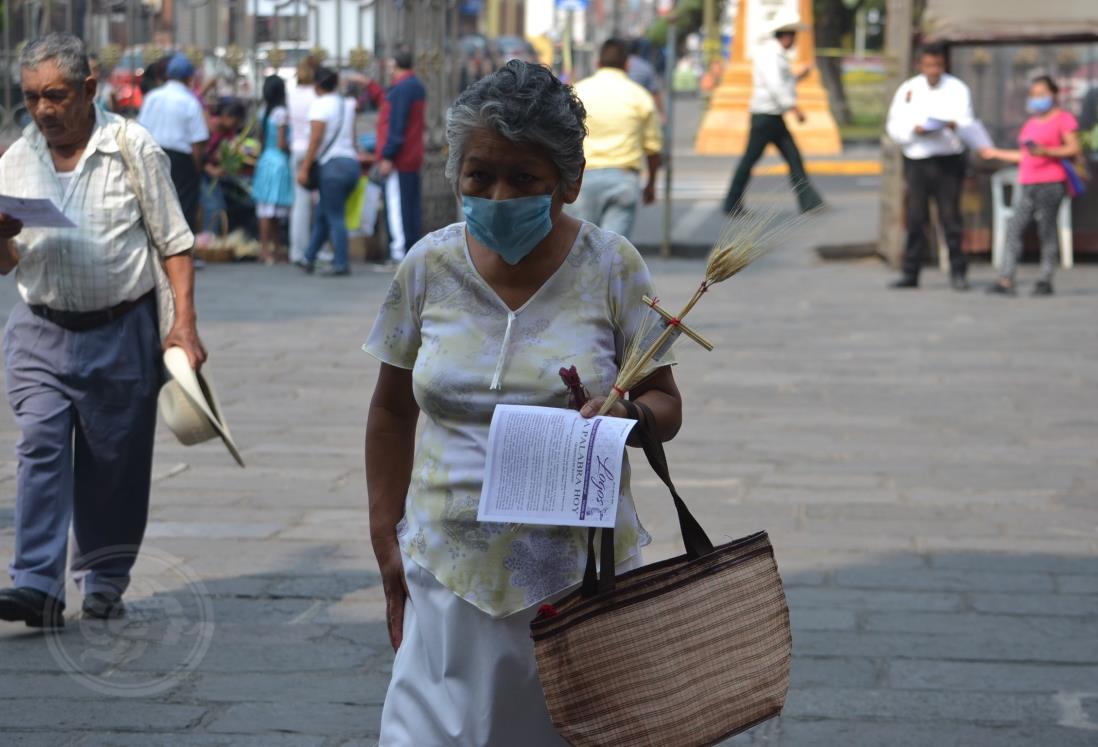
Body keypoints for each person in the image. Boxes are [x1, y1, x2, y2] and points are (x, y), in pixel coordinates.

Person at [365, 59, 682, 743]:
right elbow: (391, 408)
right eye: (480, 176)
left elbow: (665, 401)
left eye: (524, 178)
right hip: (445, 566)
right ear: (457, 175)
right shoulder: (427, 266)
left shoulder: (612, 266)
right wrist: (385, 534)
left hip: (574, 577)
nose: (500, 196)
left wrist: (627, 415)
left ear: (569, 181)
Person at [0, 33, 204, 628]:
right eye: (33, 97)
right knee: (38, 444)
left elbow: (175, 243)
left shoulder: (132, 147)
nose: (44, 110)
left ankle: (104, 578)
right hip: (39, 330)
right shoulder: (15, 160)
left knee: (114, 461)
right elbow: (7, 263)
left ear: (89, 89)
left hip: (121, 330)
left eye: (57, 96)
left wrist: (184, 326)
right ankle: (35, 583)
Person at [885, 43, 975, 290]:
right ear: (920, 65)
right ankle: (911, 272)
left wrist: (951, 125)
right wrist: (914, 130)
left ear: (944, 64)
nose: (933, 70)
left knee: (950, 217)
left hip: (948, 159)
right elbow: (895, 124)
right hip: (918, 159)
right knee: (915, 217)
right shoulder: (909, 89)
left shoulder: (957, 89)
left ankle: (958, 272)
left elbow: (966, 121)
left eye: (937, 65)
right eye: (928, 65)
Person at [721, 11, 825, 218]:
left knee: (793, 159)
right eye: (793, 36)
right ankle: (732, 202)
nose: (795, 40)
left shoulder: (775, 54)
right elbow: (776, 86)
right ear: (785, 36)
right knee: (751, 160)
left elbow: (781, 83)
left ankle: (809, 202)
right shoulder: (770, 54)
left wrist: (797, 78)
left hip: (773, 116)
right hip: (765, 117)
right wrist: (794, 107)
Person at [984, 76, 1080, 296]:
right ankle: (1006, 278)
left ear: (1054, 94)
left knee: (1046, 230)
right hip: (1027, 182)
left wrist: (1047, 151)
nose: (1037, 99)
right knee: (1014, 228)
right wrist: (996, 153)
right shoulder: (1031, 124)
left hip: (1052, 182)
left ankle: (1045, 279)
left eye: (1041, 94)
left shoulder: (1063, 119)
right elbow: (1025, 156)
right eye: (1033, 95)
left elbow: (1073, 148)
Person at [570, 38, 662, 240]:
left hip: (581, 179)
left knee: (581, 251)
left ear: (598, 63)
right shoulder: (639, 96)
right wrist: (651, 184)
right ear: (627, 65)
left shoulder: (577, 92)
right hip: (624, 179)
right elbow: (653, 148)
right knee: (612, 255)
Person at [296, 67, 359, 276]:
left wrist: (304, 168)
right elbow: (352, 136)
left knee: (334, 215)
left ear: (317, 85)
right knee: (324, 212)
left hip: (332, 167)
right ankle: (309, 256)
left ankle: (341, 262)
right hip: (350, 164)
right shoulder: (346, 104)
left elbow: (315, 139)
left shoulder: (320, 106)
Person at [138, 52, 209, 232]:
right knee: (183, 206)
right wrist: (197, 168)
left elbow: (140, 130)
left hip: (152, 154)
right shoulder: (190, 102)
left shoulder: (153, 97)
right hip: (180, 160)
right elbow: (197, 142)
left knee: (154, 202)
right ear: (189, 78)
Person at [376, 49, 426, 263]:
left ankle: (399, 251)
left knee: (397, 205)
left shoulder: (401, 89)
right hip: (413, 153)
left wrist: (388, 155)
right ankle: (410, 247)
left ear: (395, 65)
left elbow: (397, 125)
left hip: (400, 157)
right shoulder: (416, 86)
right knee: (410, 204)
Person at [252, 75, 294, 264]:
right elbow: (282, 142)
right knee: (274, 210)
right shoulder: (281, 113)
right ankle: (273, 249)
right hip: (278, 160)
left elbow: (261, 140)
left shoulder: (263, 111)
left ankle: (267, 249)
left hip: (265, 159)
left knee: (266, 208)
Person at [288, 55, 318, 265]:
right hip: (311, 150)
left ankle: (296, 249)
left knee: (299, 204)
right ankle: (314, 247)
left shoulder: (292, 94)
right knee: (316, 204)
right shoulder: (315, 96)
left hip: (296, 147)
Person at [200, 100, 246, 236]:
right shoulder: (209, 127)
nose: (236, 126)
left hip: (212, 173)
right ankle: (208, 239)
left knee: (219, 205)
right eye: (235, 121)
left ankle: (212, 237)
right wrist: (211, 169)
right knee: (212, 206)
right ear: (226, 116)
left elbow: (220, 154)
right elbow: (200, 154)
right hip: (202, 172)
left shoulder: (228, 132)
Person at [627, 38, 664, 120]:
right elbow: (655, 92)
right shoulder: (646, 67)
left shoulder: (621, 65)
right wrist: (661, 112)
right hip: (640, 110)